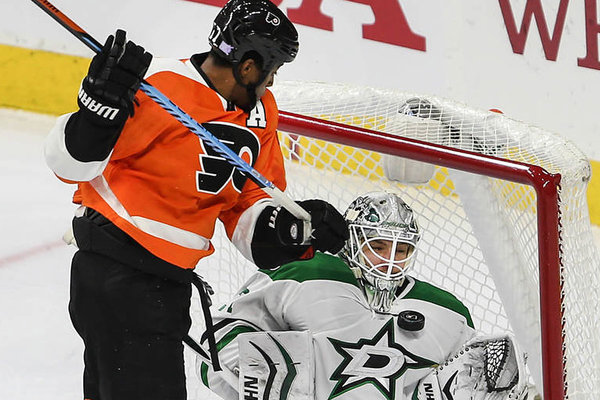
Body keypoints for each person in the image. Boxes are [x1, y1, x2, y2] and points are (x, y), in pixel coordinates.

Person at [44, 1, 348, 399]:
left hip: (165, 284)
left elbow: (250, 201)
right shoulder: (160, 86)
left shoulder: (261, 114)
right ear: (249, 66)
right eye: (273, 69)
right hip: (116, 271)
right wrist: (96, 114)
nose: (272, 82)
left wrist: (292, 228)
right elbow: (70, 165)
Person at [196, 191, 481, 399]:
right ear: (352, 242)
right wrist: (259, 373)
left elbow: (473, 378)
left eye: (401, 250)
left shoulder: (447, 312)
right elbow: (215, 345)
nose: (390, 261)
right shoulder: (306, 274)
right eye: (378, 247)